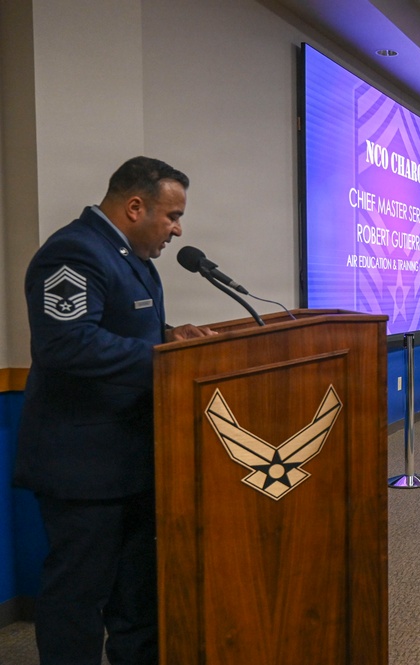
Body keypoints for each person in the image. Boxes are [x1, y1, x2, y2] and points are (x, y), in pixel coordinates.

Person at [14, 157, 215, 664]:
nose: (177, 228)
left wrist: (169, 336)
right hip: (82, 468)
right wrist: (165, 357)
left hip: (130, 460)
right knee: (78, 599)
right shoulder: (74, 253)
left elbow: (122, 332)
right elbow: (66, 344)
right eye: (171, 215)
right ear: (134, 206)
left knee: (137, 596)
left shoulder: (134, 259)